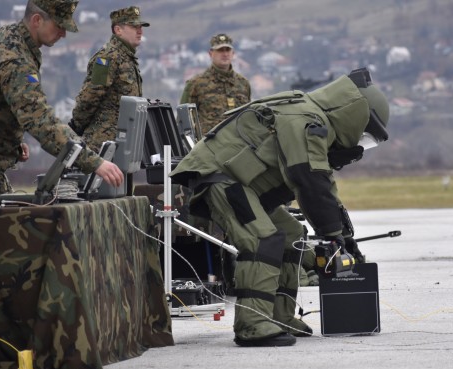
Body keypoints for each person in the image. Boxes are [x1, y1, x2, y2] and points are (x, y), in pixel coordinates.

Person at [170, 68, 389, 347]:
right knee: (262, 239)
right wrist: (331, 235)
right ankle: (252, 325)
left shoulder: (313, 120)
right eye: (365, 135)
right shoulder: (305, 119)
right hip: (220, 179)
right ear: (355, 115)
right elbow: (308, 181)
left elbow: (323, 185)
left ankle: (280, 316)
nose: (361, 144)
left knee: (292, 237)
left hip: (243, 184)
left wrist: (344, 239)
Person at [0, 0, 123, 196]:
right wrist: (93, 161)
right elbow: (39, 119)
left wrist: (7, 139)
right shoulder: (15, 59)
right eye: (59, 26)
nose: (63, 33)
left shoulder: (0, 37)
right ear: (37, 20)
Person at [69, 6, 149, 152]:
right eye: (134, 26)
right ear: (118, 30)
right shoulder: (107, 58)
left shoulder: (127, 58)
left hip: (121, 143)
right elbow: (89, 97)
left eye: (141, 27)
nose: (140, 31)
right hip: (101, 145)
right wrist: (77, 125)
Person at [179, 33, 251, 135]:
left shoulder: (243, 84)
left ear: (233, 53)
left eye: (227, 50)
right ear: (211, 53)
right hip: (209, 146)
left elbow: (248, 117)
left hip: (240, 145)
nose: (225, 54)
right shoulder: (196, 83)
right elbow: (183, 120)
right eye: (220, 50)